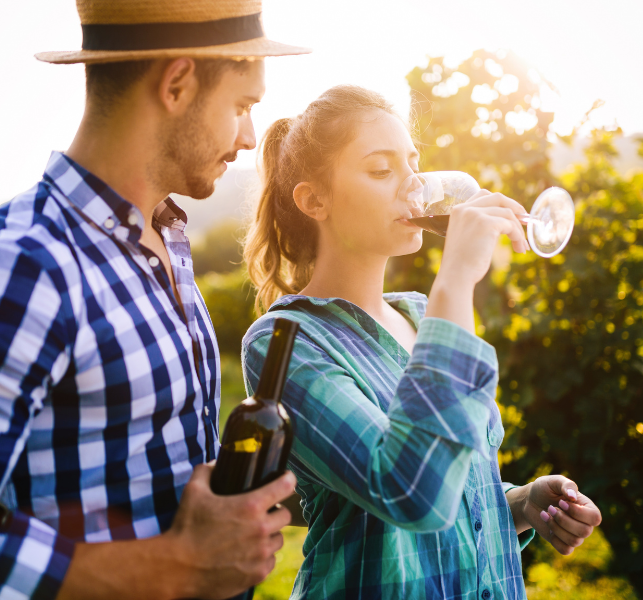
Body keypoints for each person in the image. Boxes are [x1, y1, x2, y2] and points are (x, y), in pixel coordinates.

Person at [0, 1, 310, 599]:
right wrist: (175, 566)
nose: (249, 136)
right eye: (243, 106)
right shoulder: (21, 269)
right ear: (177, 83)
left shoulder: (167, 235)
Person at [242, 85, 603, 599]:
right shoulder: (287, 342)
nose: (414, 188)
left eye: (413, 165)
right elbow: (408, 491)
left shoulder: (419, 312)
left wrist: (519, 504)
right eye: (381, 170)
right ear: (313, 200)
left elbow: (452, 468)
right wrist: (455, 280)